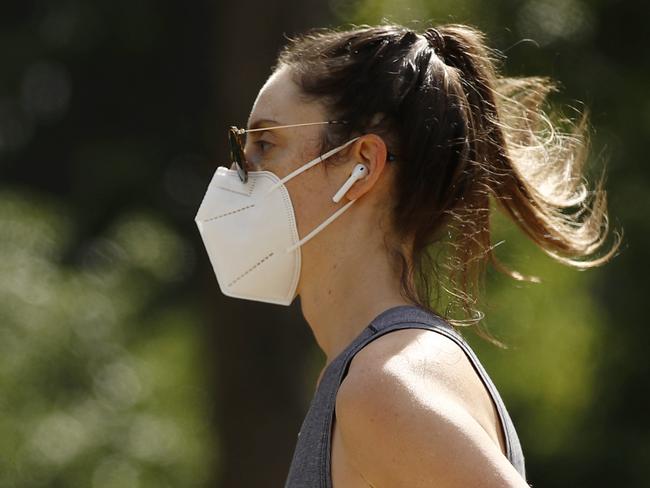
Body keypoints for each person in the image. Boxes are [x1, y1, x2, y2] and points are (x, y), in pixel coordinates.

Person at [195, 22, 621, 488]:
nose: (239, 173)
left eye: (265, 144)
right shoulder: (369, 375)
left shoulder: (383, 388)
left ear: (361, 167)